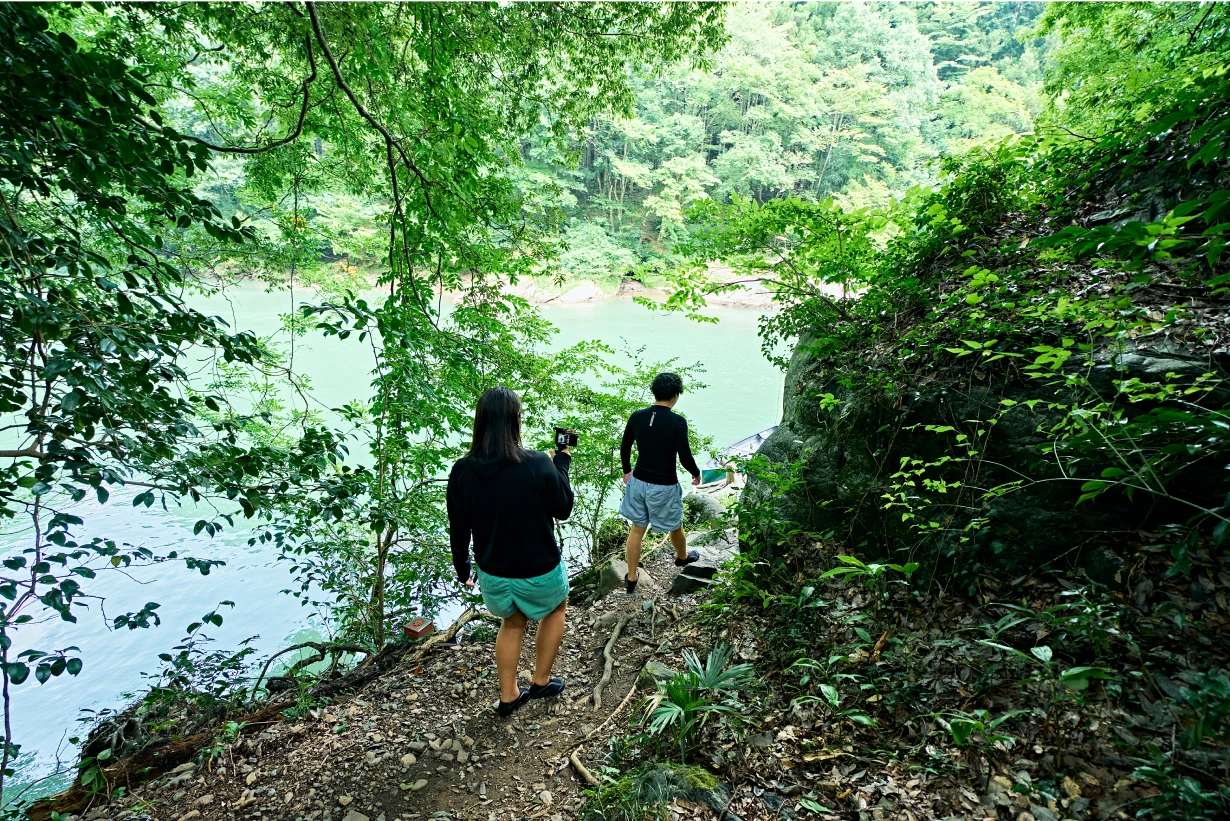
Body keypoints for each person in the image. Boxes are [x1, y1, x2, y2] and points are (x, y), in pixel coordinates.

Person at [447, 387, 574, 717]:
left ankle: (508, 696)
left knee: (512, 623)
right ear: (515, 420)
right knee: (556, 609)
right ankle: (540, 682)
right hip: (540, 570)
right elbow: (563, 507)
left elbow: (459, 529)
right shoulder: (537, 462)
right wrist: (562, 461)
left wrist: (463, 569)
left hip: (494, 575)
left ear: (481, 422)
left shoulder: (462, 470)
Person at [618, 372, 702, 594]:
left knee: (637, 529)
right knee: (676, 525)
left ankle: (632, 576)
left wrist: (627, 470)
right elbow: (684, 456)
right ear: (675, 395)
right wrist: (695, 473)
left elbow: (625, 446)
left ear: (655, 392)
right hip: (664, 486)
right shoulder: (677, 422)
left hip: (638, 482)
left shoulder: (637, 416)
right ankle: (682, 557)